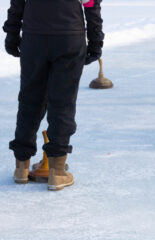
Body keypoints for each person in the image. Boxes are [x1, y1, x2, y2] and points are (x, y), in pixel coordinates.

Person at [3, 0, 104, 190]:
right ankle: (57, 172)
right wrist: (95, 39)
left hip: (34, 37)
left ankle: (21, 167)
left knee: (30, 99)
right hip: (69, 37)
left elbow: (17, 2)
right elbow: (91, 4)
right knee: (63, 102)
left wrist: (12, 34)